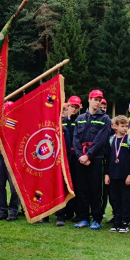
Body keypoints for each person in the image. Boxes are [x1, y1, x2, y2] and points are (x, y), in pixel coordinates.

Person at [72, 89, 112, 229]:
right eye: (95, 99)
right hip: (81, 159)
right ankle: (84, 217)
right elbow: (75, 139)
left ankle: (96, 218)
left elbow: (101, 140)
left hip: (96, 158)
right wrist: (80, 156)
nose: (97, 102)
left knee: (96, 189)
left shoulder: (105, 119)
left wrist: (88, 155)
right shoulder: (80, 118)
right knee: (82, 188)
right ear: (89, 100)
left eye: (100, 100)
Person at [103, 115, 130, 233]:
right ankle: (116, 220)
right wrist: (106, 174)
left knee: (126, 199)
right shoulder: (111, 140)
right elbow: (107, 159)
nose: (125, 128)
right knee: (114, 199)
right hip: (113, 176)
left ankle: (125, 221)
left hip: (126, 177)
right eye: (122, 126)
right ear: (115, 126)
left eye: (126, 126)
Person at [56, 96, 82, 226]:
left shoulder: (79, 121)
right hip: (62, 157)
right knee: (62, 184)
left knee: (75, 185)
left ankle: (73, 212)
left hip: (76, 157)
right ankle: (60, 214)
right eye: (72, 106)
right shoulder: (61, 121)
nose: (74, 109)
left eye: (76, 107)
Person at [0, 102, 19, 221]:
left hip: (12, 157)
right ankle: (2, 210)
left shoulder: (16, 122)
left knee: (14, 186)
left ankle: (13, 210)